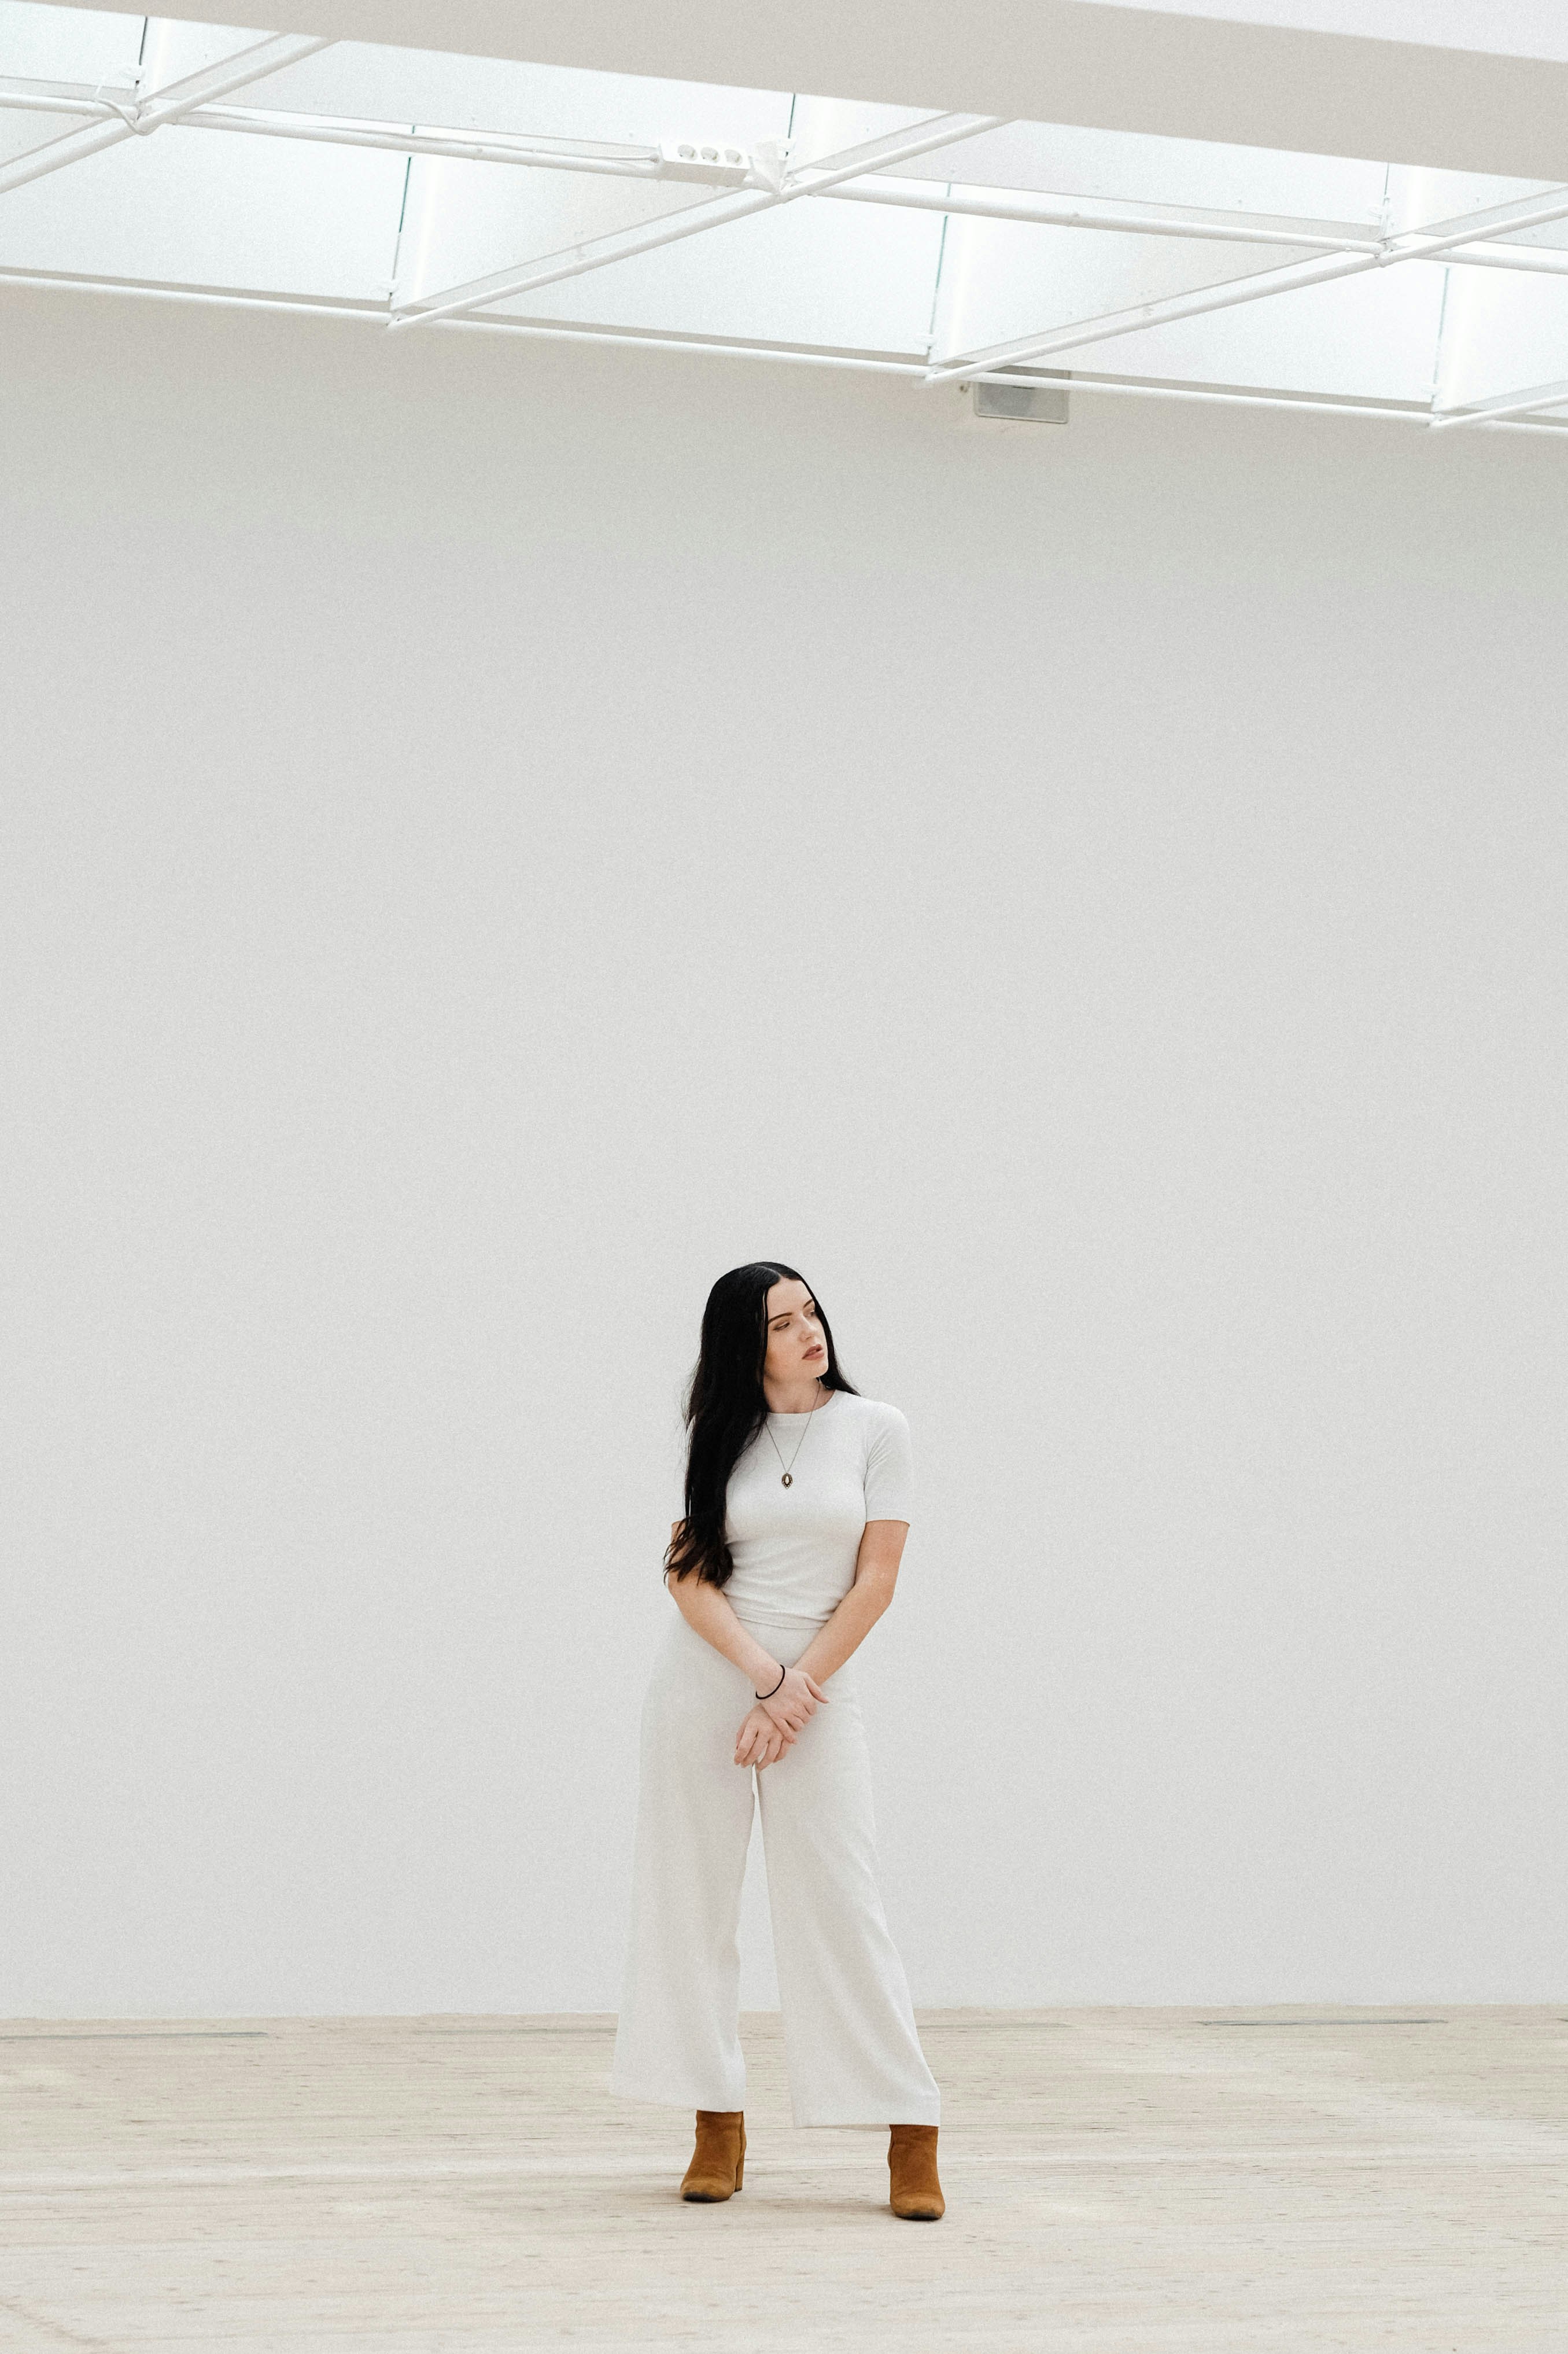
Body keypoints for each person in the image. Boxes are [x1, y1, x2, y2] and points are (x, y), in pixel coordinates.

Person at [608, 1261, 944, 2220]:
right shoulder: (720, 1433)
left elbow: (875, 1581)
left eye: (811, 1311)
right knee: (692, 1899)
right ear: (742, 1345)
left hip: (818, 1691)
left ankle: (909, 2128)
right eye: (781, 1322)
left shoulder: (879, 1429)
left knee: (842, 1897)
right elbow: (687, 1570)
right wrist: (765, 1678)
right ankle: (717, 2119)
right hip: (710, 1680)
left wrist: (799, 1692)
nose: (808, 1332)